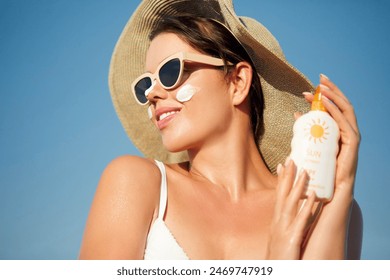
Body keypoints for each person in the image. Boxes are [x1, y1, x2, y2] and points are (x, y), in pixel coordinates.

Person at [79, 0, 362, 260]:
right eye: (145, 85)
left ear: (237, 81)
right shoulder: (136, 182)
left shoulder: (320, 203)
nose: (152, 93)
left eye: (170, 72)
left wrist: (340, 191)